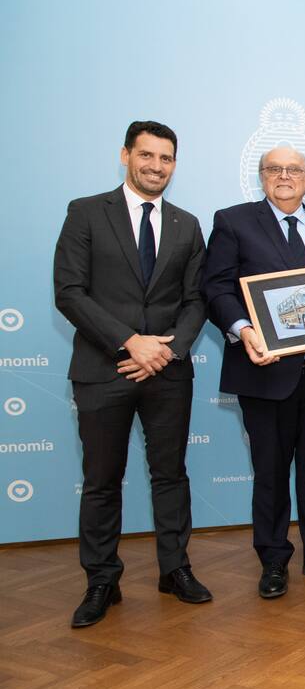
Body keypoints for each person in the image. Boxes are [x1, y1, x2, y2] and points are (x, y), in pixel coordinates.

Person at [53, 120, 211, 627]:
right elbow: (70, 291)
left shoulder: (187, 224)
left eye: (165, 159)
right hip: (104, 369)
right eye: (146, 156)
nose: (155, 167)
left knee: (171, 476)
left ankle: (175, 569)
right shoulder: (85, 212)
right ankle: (102, 580)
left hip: (167, 371)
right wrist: (129, 342)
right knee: (101, 481)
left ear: (174, 164)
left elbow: (196, 298)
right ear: (126, 155)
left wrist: (168, 349)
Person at [202, 147, 305, 598]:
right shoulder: (233, 221)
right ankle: (274, 558)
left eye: (293, 170)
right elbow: (215, 287)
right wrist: (241, 330)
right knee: (271, 472)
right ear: (261, 177)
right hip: (265, 371)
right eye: (274, 169)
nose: (284, 176)